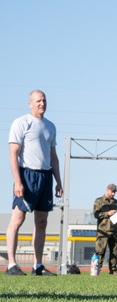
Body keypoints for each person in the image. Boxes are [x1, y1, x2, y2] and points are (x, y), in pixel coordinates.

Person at [7, 89, 63, 276]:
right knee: (18, 219)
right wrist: (18, 181)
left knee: (42, 221)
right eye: (38, 100)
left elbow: (53, 156)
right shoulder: (21, 123)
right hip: (27, 175)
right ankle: (11, 265)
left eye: (44, 100)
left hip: (45, 176)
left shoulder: (50, 126)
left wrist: (58, 181)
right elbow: (13, 153)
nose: (42, 103)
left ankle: (38, 266)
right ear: (30, 103)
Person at [92, 183, 117, 275]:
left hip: (114, 230)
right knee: (100, 251)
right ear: (107, 190)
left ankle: (113, 270)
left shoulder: (116, 202)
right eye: (112, 192)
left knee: (114, 251)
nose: (113, 194)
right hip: (103, 231)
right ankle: (97, 270)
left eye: (114, 192)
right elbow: (96, 215)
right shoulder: (99, 201)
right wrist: (107, 213)